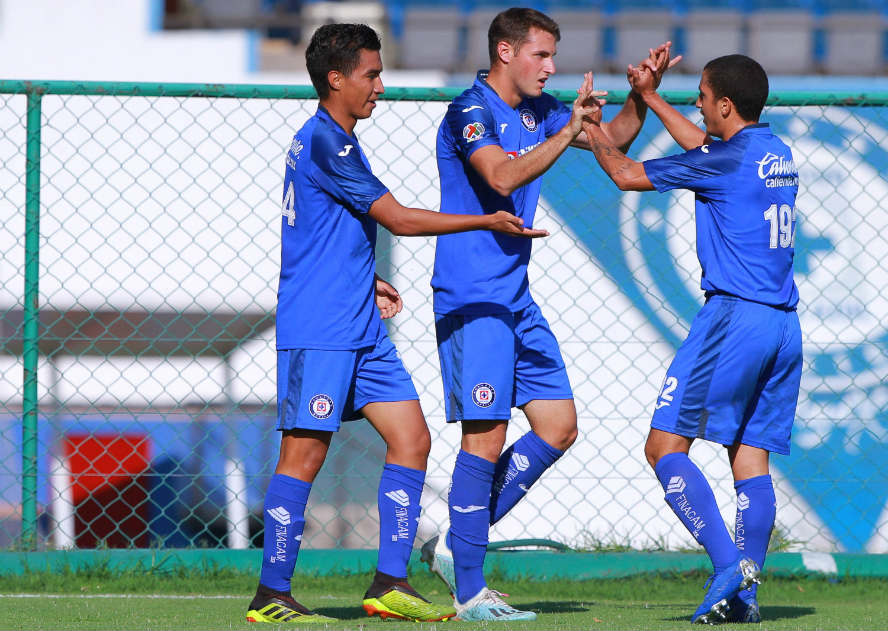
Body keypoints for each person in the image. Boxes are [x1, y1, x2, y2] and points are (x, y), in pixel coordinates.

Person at [245, 23, 547, 625]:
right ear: (337, 80)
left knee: (412, 438)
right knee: (303, 457)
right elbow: (400, 221)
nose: (380, 86)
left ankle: (389, 582)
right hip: (321, 328)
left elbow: (324, 228)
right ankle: (271, 595)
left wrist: (367, 279)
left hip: (359, 322)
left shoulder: (336, 141)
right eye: (371, 74)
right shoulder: (328, 141)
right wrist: (486, 222)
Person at [418, 6, 680, 623]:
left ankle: (458, 546)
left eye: (553, 56)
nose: (552, 67)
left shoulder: (540, 110)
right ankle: (469, 590)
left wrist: (642, 98)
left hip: (516, 297)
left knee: (558, 426)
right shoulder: (470, 111)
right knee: (486, 436)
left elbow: (609, 141)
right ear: (505, 53)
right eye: (541, 55)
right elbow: (502, 177)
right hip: (472, 295)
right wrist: (565, 134)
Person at [580, 53, 801, 624]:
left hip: (734, 319)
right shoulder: (774, 151)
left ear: (725, 105)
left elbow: (627, 175)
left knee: (664, 448)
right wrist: (651, 98)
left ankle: (727, 566)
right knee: (750, 460)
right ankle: (744, 599)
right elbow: (709, 147)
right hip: (783, 324)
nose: (696, 105)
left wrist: (591, 131)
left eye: (701, 97)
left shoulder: (724, 159)